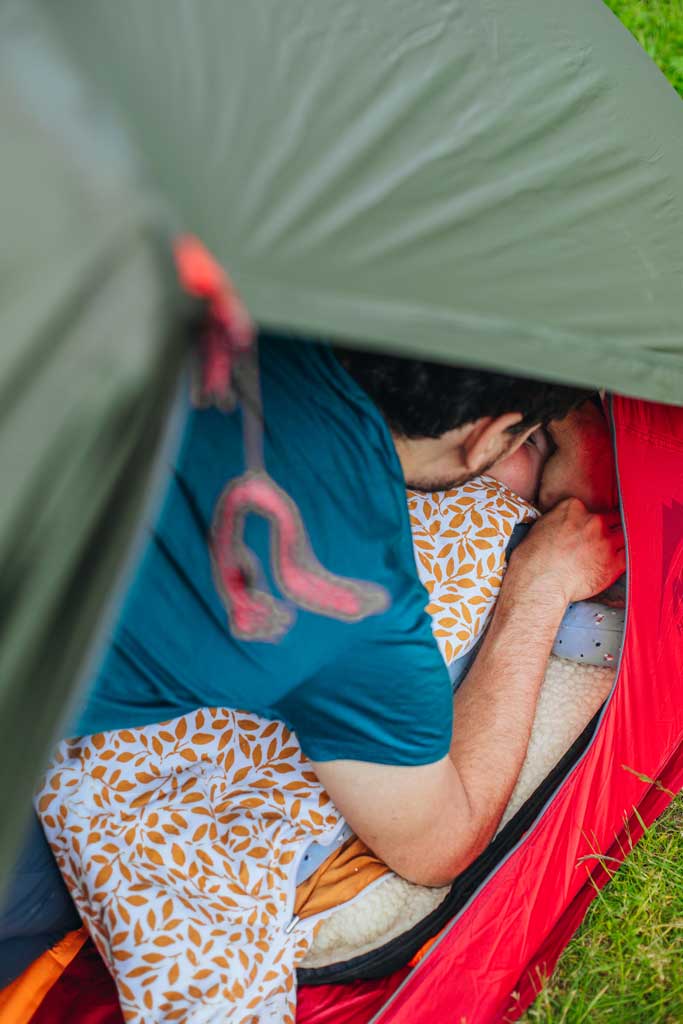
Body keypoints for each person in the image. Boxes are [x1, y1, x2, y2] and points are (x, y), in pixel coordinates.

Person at [0, 333, 624, 982]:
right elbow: (438, 843)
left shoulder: (217, 298)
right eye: (530, 439)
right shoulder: (348, 594)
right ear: (483, 435)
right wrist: (536, 592)